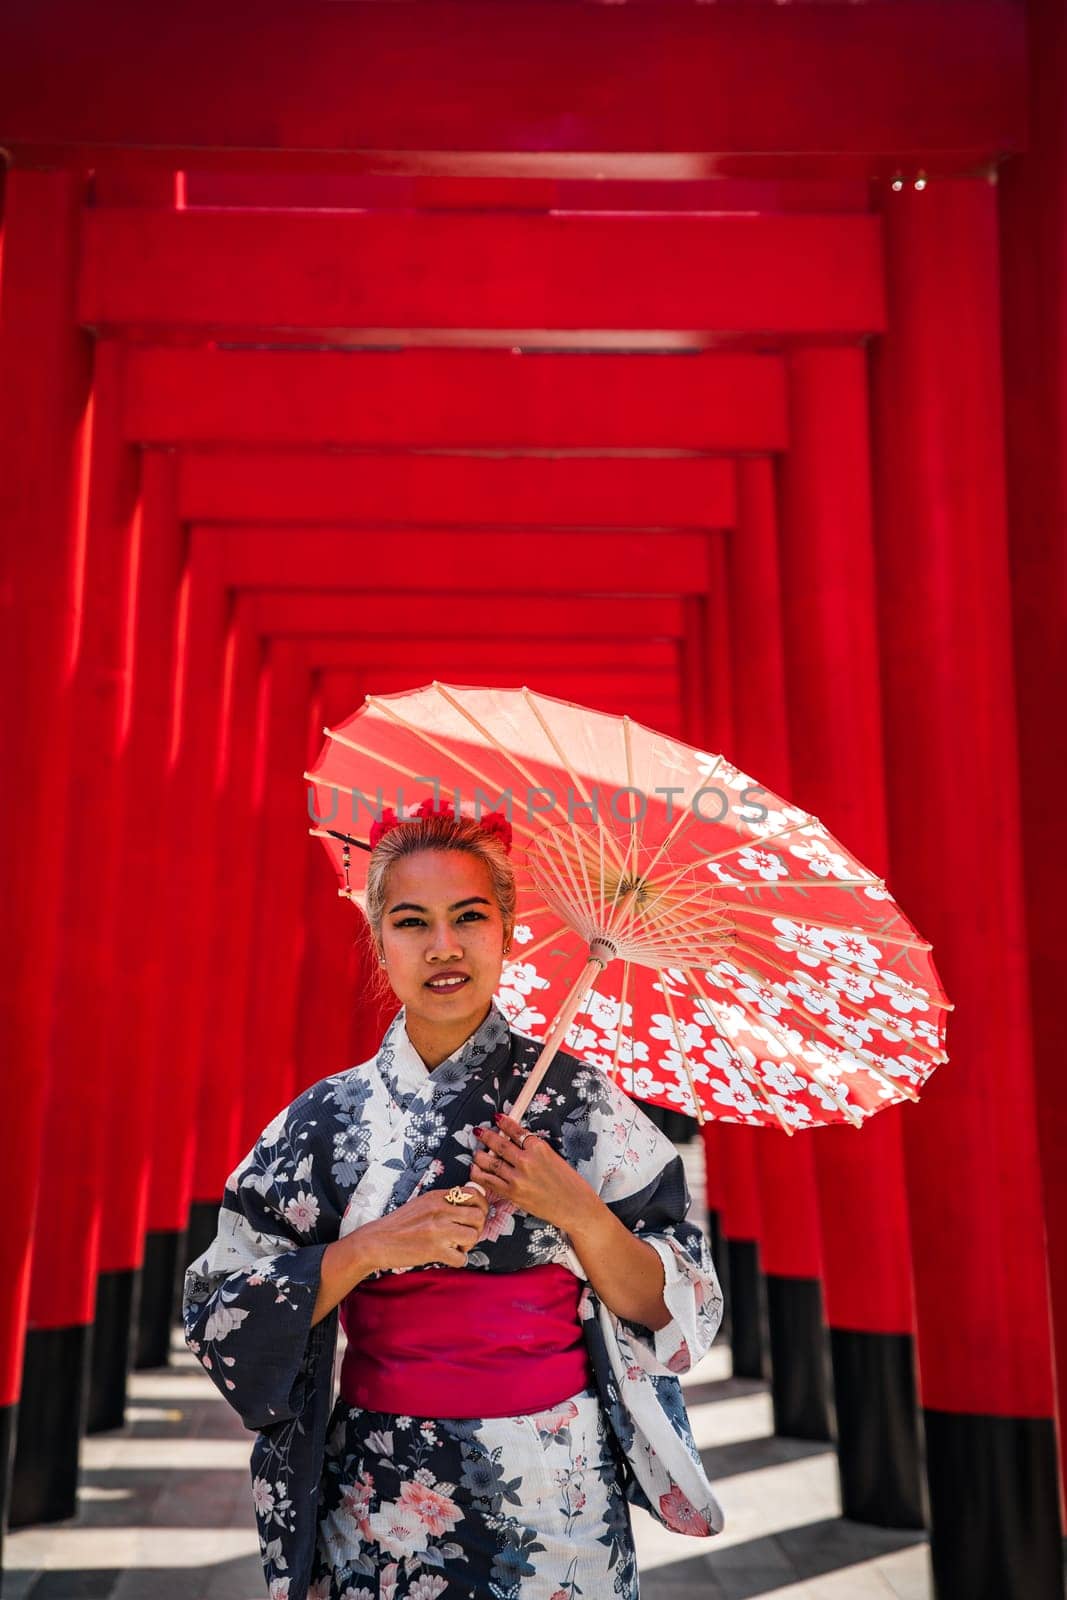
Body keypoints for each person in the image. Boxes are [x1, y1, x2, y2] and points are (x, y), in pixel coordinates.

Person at [183, 800, 725, 1600]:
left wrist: (576, 1209)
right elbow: (219, 1306)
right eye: (411, 922)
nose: (443, 946)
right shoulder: (325, 1119)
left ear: (508, 933)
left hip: (557, 1483)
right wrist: (369, 1248)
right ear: (379, 942)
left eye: (469, 916)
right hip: (384, 1487)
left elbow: (677, 1312)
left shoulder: (586, 1107)